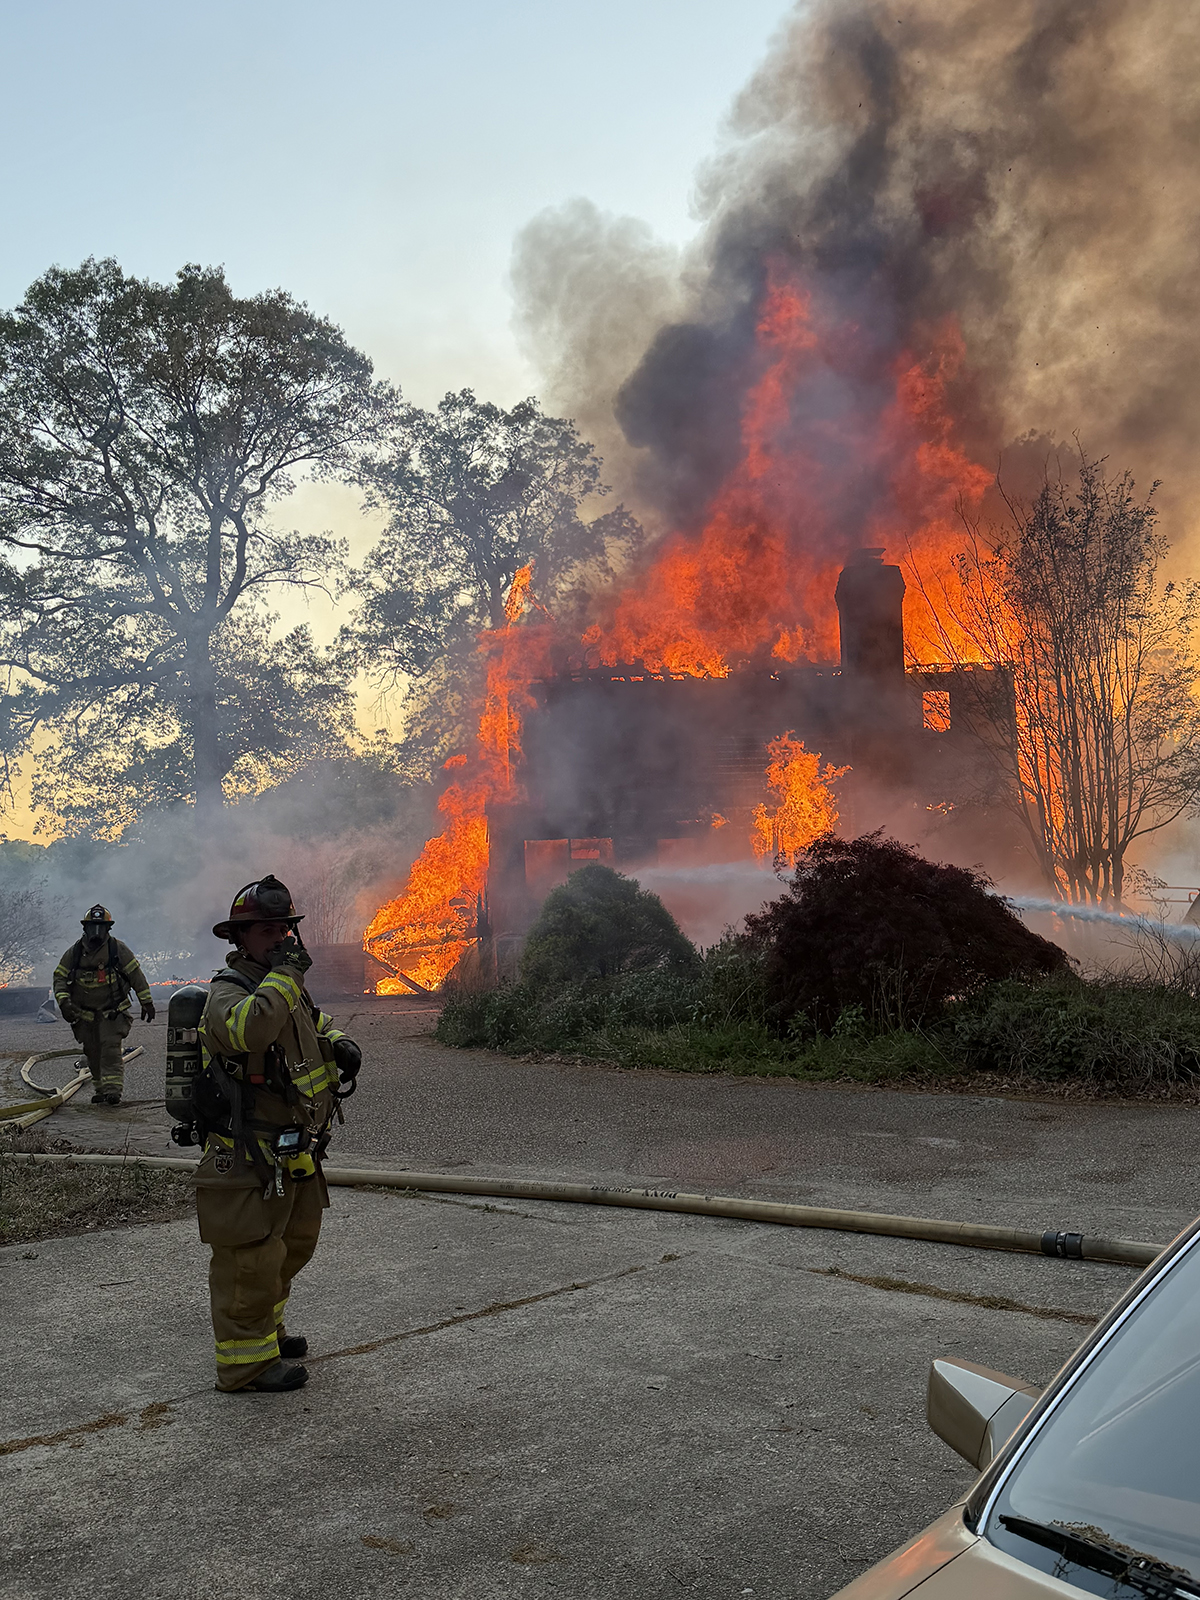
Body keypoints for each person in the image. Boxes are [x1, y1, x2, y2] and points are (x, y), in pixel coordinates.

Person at [196, 875, 362, 1394]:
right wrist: (286, 974)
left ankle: (268, 1332)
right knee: (251, 1257)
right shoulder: (228, 993)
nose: (279, 939)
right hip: (249, 1151)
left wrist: (339, 1041)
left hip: (295, 1147)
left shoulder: (284, 984)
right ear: (240, 937)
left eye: (284, 929)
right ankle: (244, 1364)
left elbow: (310, 1022)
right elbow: (253, 1031)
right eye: (266, 930)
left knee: (293, 1244)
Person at [52, 906, 155, 1106]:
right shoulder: (74, 953)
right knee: (92, 1052)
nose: (96, 931)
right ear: (86, 928)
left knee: (110, 1048)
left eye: (101, 926)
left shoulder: (117, 949)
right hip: (85, 1014)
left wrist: (147, 1001)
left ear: (108, 929)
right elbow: (60, 977)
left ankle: (113, 1091)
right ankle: (100, 1089)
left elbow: (135, 975)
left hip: (112, 1012)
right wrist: (64, 1002)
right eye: (93, 926)